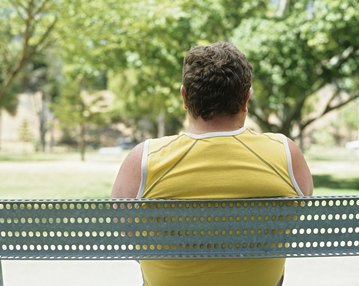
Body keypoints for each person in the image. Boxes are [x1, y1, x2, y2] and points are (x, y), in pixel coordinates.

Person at [111, 42, 313, 286]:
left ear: (184, 96)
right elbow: (296, 216)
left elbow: (125, 229)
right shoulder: (286, 153)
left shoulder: (144, 159)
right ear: (246, 97)